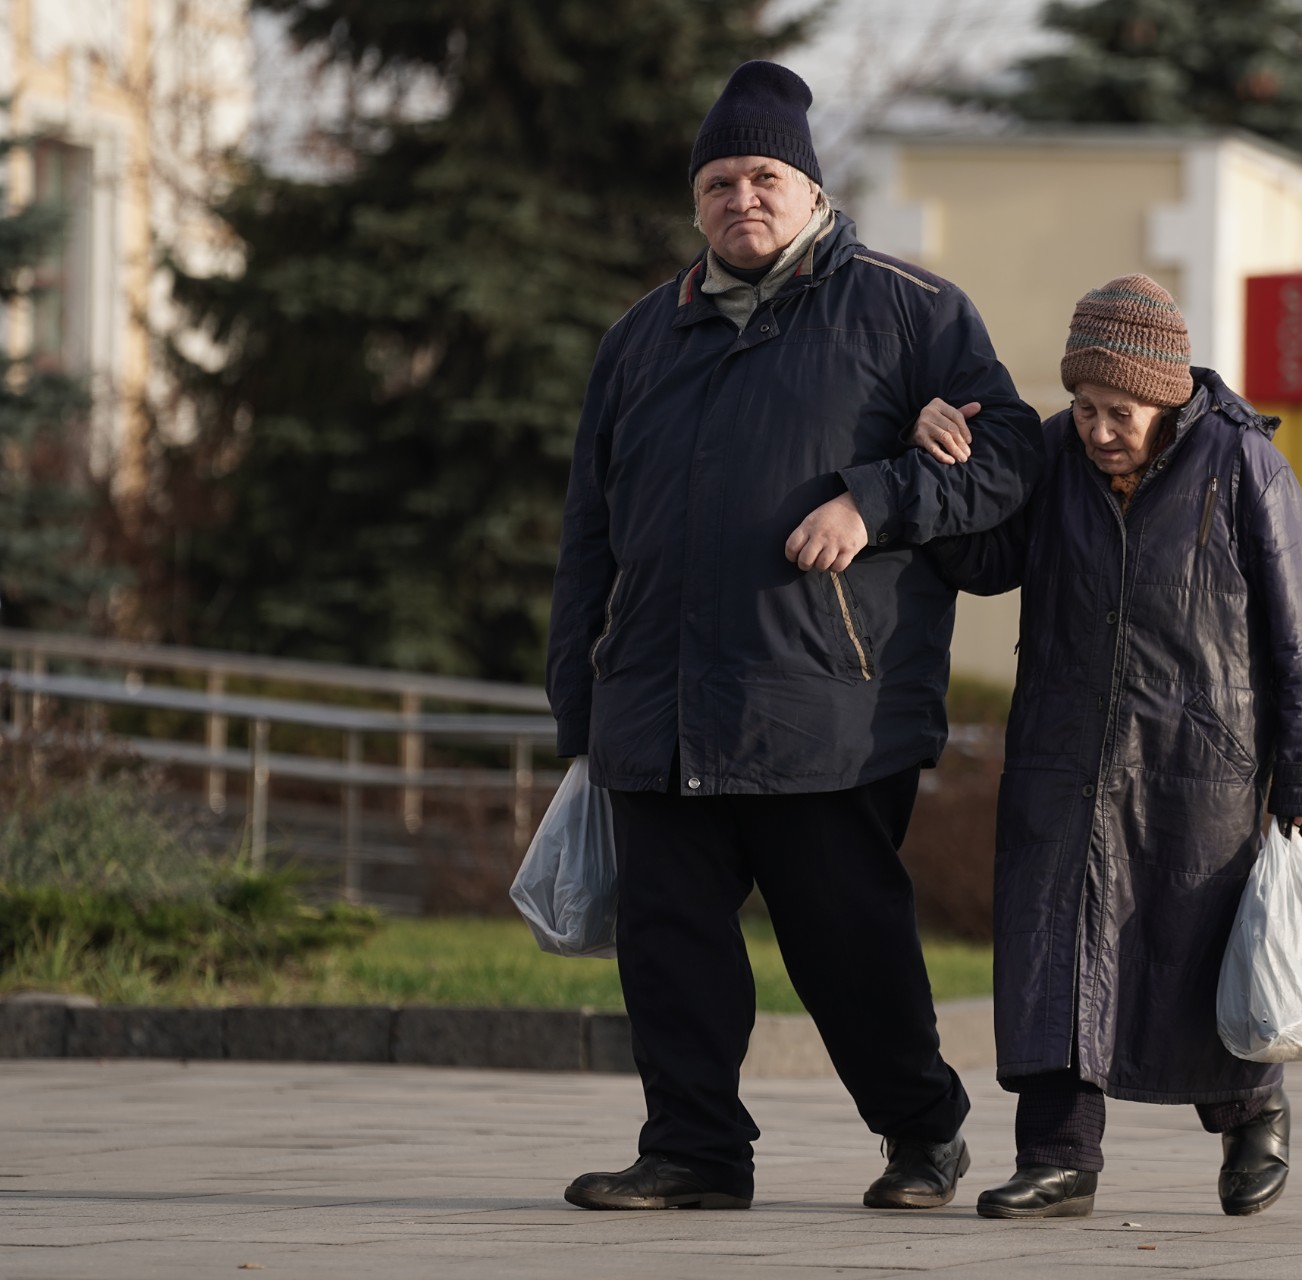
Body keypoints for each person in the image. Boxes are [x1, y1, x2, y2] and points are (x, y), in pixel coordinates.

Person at [545, 61, 1042, 1213]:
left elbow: (1007, 457)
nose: (741, 198)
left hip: (825, 703)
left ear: (812, 189)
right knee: (668, 945)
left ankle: (922, 1131)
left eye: (765, 175)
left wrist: (877, 498)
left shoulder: (911, 309)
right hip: (655, 704)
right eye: (718, 181)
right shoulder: (638, 339)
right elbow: (587, 534)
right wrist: (579, 704)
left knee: (846, 943)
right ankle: (694, 1149)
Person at [918, 275, 1302, 1220]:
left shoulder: (1243, 466)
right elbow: (987, 562)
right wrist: (943, 473)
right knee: (1054, 952)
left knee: (1195, 959)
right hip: (1063, 755)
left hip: (1202, 766)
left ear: (1168, 397)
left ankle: (1252, 1115)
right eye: (1083, 406)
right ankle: (1059, 1158)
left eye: (1119, 411)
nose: (1097, 428)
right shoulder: (1054, 455)